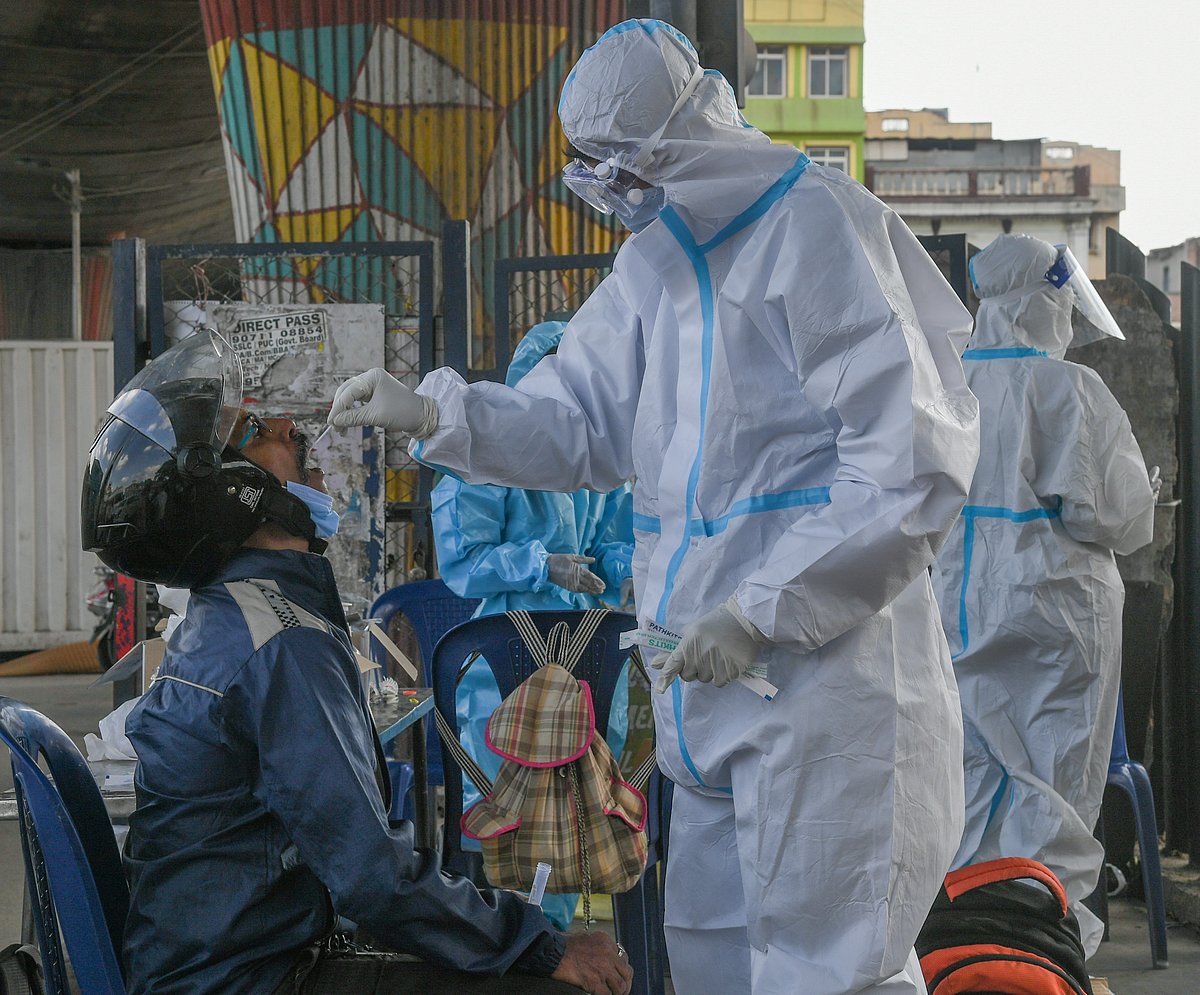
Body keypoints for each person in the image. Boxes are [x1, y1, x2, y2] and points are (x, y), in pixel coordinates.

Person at [329, 18, 980, 994]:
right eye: (594, 168)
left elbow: (914, 466)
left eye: (621, 165)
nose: (609, 190)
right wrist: (438, 411)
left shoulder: (813, 229)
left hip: (830, 684)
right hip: (701, 677)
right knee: (713, 944)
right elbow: (579, 419)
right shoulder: (658, 269)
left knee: (830, 962)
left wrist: (766, 609)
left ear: (683, 143)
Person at [80, 329, 632, 995]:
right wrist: (541, 945)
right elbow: (373, 874)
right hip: (251, 976)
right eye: (257, 429)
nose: (289, 425)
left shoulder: (247, 614)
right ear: (231, 491)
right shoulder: (278, 640)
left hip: (232, 956)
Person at [929, 233, 1155, 957]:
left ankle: (965, 953)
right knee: (1055, 794)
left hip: (958, 617)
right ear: (1044, 301)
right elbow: (1117, 518)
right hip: (1058, 624)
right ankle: (1046, 954)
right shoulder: (1069, 388)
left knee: (968, 788)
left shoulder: (947, 385)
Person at [432, 320, 635, 930]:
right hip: (511, 652)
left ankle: (551, 943)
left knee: (581, 808)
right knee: (516, 810)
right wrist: (541, 566)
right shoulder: (488, 456)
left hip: (588, 643)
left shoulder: (600, 458)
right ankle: (516, 940)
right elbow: (462, 560)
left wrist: (624, 570)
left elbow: (619, 539)